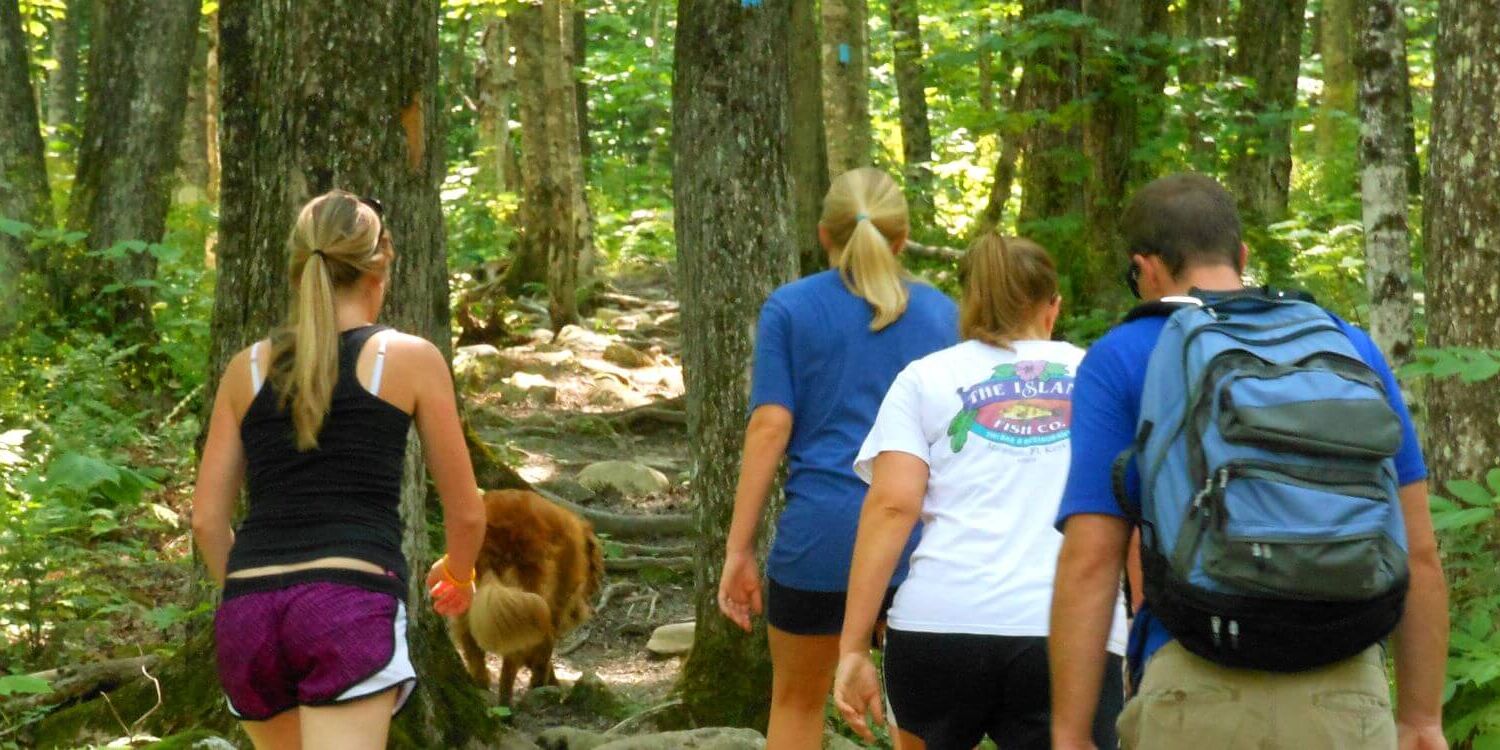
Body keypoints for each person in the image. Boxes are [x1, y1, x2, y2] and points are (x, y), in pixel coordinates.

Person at [1048, 174, 1449, 750]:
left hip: (1195, 684)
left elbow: (1091, 560)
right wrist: (1422, 718)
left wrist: (1069, 732)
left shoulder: (1123, 355)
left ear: (1145, 269)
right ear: (1240, 256)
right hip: (1344, 689)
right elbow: (1420, 553)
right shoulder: (1347, 345)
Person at [192, 191, 487, 750]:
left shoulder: (245, 369)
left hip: (249, 612)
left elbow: (207, 520)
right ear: (380, 269)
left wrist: (252, 600)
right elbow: (467, 513)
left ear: (297, 268)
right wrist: (459, 573)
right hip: (348, 603)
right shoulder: (409, 358)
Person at [831, 233, 1127, 750]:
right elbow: (1133, 506)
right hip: (1075, 628)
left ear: (968, 304)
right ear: (1053, 308)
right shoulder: (1102, 376)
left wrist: (852, 646)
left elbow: (893, 506)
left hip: (939, 624)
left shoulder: (924, 378)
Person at [716, 167, 959, 749]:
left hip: (820, 543)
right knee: (923, 722)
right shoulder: (945, 316)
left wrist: (738, 549)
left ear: (824, 235)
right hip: (918, 545)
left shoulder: (790, 309)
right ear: (902, 239)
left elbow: (769, 427)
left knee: (797, 703)